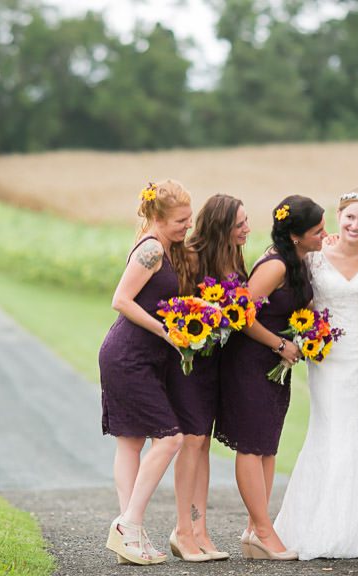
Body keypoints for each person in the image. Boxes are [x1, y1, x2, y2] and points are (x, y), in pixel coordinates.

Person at [273, 189, 358, 559]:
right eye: (349, 217)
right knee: (330, 430)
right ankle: (323, 524)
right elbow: (301, 300)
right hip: (329, 356)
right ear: (338, 217)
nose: (355, 225)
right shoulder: (315, 257)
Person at [214, 195, 326, 561]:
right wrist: (280, 344)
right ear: (296, 235)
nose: (325, 235)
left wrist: (311, 332)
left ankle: (254, 528)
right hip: (250, 362)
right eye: (318, 230)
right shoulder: (275, 266)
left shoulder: (298, 260)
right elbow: (240, 315)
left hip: (274, 364)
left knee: (267, 444)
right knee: (251, 444)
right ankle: (264, 530)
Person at [99, 180, 194, 565]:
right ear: (157, 217)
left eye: (189, 219)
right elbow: (120, 300)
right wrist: (164, 331)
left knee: (131, 443)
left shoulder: (161, 245)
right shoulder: (153, 248)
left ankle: (130, 537)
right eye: (179, 221)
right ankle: (128, 524)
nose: (186, 227)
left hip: (138, 355)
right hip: (129, 356)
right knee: (170, 438)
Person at [165, 194, 250, 562]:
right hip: (190, 363)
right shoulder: (191, 257)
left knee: (203, 445)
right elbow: (174, 309)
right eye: (240, 223)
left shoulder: (233, 255)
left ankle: (200, 530)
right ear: (220, 226)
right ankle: (182, 529)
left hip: (218, 365)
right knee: (192, 441)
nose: (247, 228)